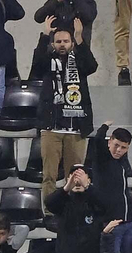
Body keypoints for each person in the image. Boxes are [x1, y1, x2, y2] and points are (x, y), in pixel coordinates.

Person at [34, 28, 98, 201]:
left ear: (71, 43)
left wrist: (80, 39)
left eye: (66, 41)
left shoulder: (79, 61)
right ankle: (49, 212)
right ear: (53, 44)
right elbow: (36, 66)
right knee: (49, 176)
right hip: (51, 127)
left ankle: (73, 210)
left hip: (76, 127)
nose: (62, 45)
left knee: (76, 176)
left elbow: (92, 66)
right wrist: (44, 36)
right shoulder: (48, 61)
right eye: (58, 41)